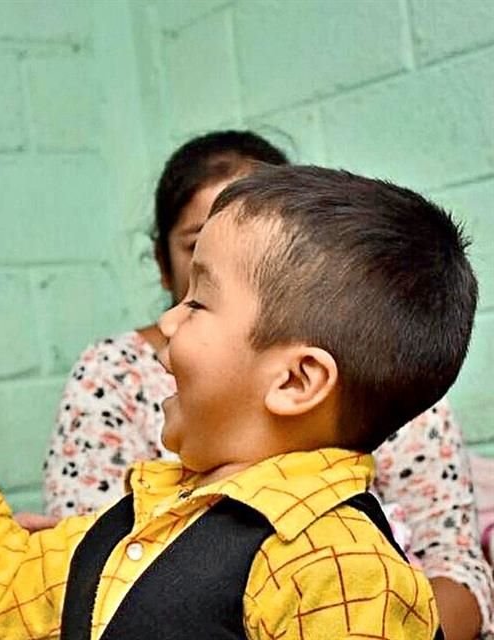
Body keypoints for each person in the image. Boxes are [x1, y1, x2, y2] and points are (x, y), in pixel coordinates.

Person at [0, 164, 472, 638]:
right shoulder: (145, 527)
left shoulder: (337, 571)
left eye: (199, 302)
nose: (167, 321)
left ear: (294, 382)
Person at [43, 131, 494, 640]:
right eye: (199, 247)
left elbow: (455, 563)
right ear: (163, 263)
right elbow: (87, 583)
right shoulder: (115, 373)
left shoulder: (372, 380)